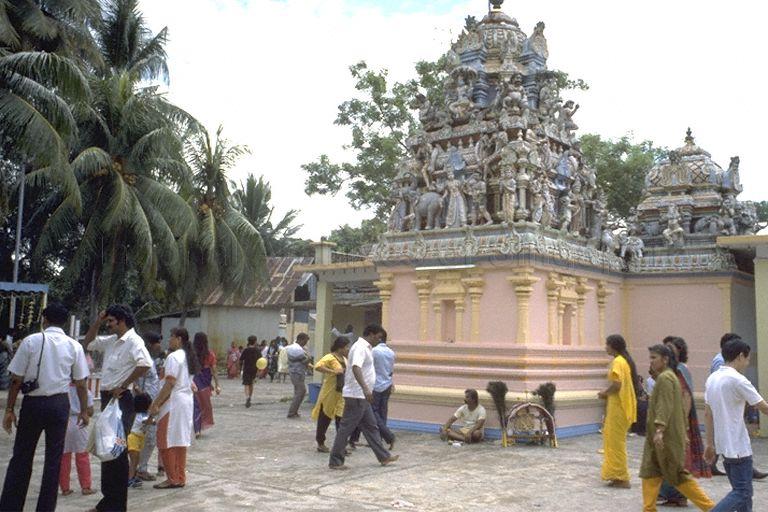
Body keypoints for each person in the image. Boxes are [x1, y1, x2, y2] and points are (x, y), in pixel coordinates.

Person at [0, 302, 90, 512]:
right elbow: (81, 383)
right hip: (59, 404)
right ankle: (45, 508)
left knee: (22, 455)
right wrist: (84, 410)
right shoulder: (74, 345)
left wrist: (9, 409)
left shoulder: (31, 341)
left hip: (33, 403)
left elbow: (16, 379)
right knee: (54, 459)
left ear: (44, 319)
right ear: (65, 322)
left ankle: (10, 506)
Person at [83, 304, 152, 512]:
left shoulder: (134, 340)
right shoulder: (112, 341)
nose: (109, 324)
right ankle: (108, 501)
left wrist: (123, 385)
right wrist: (98, 320)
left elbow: (145, 364)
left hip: (121, 400)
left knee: (117, 451)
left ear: (121, 321)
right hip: (108, 400)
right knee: (107, 450)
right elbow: (88, 343)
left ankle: (116, 504)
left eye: (111, 321)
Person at [639, 344, 714, 511]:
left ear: (665, 360)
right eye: (650, 357)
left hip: (666, 437)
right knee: (650, 470)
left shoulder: (666, 378)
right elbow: (677, 407)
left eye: (654, 358)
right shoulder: (669, 376)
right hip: (662, 437)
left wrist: (660, 430)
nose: (650, 361)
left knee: (677, 474)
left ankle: (711, 508)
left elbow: (664, 406)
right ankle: (648, 508)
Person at [704, 338, 768, 511]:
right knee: (742, 493)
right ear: (740, 356)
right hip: (738, 446)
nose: (747, 363)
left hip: (724, 445)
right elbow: (764, 408)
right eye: (747, 359)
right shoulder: (738, 380)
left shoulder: (712, 379)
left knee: (743, 496)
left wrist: (709, 444)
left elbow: (708, 413)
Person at [328, 324, 398, 469]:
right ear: (371, 334)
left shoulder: (366, 348)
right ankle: (335, 460)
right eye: (378, 337)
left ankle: (383, 456)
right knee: (346, 428)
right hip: (356, 395)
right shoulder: (360, 347)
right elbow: (355, 367)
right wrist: (365, 388)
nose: (379, 341)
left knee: (371, 427)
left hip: (362, 396)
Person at [658, 336, 711, 506]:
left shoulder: (680, 370)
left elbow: (685, 397)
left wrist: (682, 424)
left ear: (679, 351)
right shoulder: (671, 370)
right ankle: (671, 494)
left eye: (670, 348)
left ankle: (679, 495)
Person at [149, 327, 200, 489]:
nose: (169, 340)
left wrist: (156, 403)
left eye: (171, 337)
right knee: (180, 440)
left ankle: (172, 478)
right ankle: (179, 476)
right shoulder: (188, 356)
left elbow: (169, 383)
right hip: (185, 402)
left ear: (179, 339)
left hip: (173, 402)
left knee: (166, 440)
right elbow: (189, 382)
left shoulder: (173, 357)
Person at [598, 334, 638, 489]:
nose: (605, 347)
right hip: (620, 407)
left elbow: (617, 384)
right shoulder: (623, 361)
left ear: (613, 346)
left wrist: (604, 393)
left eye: (607, 344)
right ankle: (615, 475)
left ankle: (622, 477)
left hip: (619, 408)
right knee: (613, 442)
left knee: (616, 444)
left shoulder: (618, 362)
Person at [311, 337, 350, 452]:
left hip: (341, 394)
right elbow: (318, 366)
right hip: (330, 393)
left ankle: (341, 445)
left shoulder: (344, 359)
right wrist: (333, 372)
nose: (348, 349)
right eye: (346, 347)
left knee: (341, 419)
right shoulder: (329, 357)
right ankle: (320, 442)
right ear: (340, 348)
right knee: (325, 418)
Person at [59, 379, 95, 496]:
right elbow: (90, 411)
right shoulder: (86, 392)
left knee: (64, 457)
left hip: (63, 421)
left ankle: (64, 488)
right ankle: (85, 486)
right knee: (82, 456)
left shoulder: (63, 389)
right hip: (79, 420)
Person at [136, 332, 163, 481]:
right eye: (158, 342)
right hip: (143, 404)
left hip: (153, 403)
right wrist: (139, 392)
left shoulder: (154, 360)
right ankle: (139, 468)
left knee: (150, 438)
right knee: (144, 437)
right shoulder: (142, 359)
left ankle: (141, 467)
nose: (160, 346)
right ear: (152, 344)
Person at [372, 329, 396, 449]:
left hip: (376, 385)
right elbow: (391, 371)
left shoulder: (374, 351)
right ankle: (381, 437)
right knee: (383, 412)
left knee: (373, 411)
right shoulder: (391, 352)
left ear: (379, 337)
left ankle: (387, 435)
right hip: (387, 384)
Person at [193, 332, 220, 437]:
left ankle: (196, 429)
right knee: (204, 406)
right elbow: (214, 371)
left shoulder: (191, 353)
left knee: (195, 405)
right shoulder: (209, 354)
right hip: (205, 384)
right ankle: (199, 428)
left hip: (193, 381)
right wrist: (217, 384)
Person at [127, 393, 152, 488]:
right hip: (134, 439)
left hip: (137, 439)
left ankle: (132, 476)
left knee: (134, 461)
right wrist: (153, 414)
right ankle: (130, 479)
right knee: (134, 461)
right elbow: (149, 421)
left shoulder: (138, 414)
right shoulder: (142, 416)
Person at [286, 333, 311, 418]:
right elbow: (304, 361)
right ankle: (292, 412)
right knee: (301, 391)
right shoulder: (296, 349)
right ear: (301, 339)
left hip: (297, 372)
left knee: (298, 392)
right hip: (296, 372)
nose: (305, 343)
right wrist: (309, 359)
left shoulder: (296, 348)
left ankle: (294, 411)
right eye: (305, 341)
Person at [240, 337, 259, 407]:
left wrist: (240, 369)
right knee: (251, 383)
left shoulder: (246, 350)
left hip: (246, 369)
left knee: (246, 384)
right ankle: (250, 397)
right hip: (254, 369)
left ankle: (247, 397)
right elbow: (261, 360)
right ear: (255, 342)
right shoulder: (257, 350)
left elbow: (241, 359)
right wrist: (259, 370)